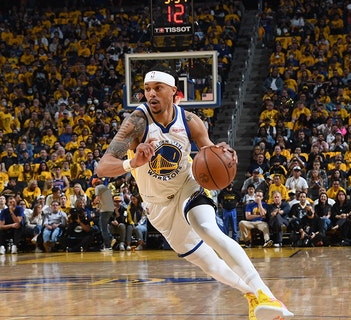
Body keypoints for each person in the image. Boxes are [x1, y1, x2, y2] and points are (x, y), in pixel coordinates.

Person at [95, 66, 293, 319]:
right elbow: (103, 166)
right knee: (208, 263)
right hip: (157, 206)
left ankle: (267, 295)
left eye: (158, 89)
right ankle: (253, 296)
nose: (151, 94)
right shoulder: (136, 122)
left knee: (207, 228)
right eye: (147, 90)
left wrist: (221, 153)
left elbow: (209, 155)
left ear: (173, 92)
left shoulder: (190, 121)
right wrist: (132, 163)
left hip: (188, 187)